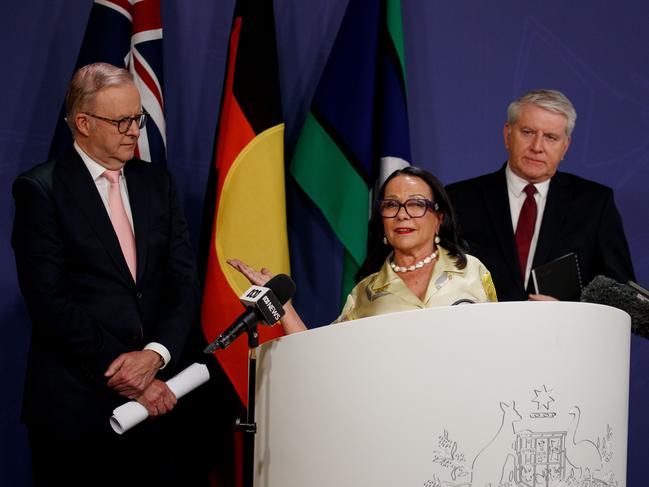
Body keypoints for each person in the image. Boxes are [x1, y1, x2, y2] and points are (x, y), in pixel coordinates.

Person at [12, 63, 201, 486]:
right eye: (122, 121)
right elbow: (49, 301)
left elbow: (183, 281)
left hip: (161, 401)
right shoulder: (41, 190)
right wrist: (128, 377)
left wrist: (156, 357)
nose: (135, 130)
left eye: (138, 118)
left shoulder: (158, 182)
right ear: (83, 123)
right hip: (77, 410)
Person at [229, 166, 497, 333]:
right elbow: (325, 361)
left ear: (439, 219)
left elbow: (498, 343)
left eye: (416, 204)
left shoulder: (472, 271)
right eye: (391, 205)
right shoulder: (365, 294)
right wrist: (283, 306)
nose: (402, 215)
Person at [446, 89, 635, 302]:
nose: (537, 147)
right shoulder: (459, 199)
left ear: (565, 147)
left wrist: (570, 312)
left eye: (551, 137)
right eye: (527, 132)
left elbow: (621, 295)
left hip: (563, 333)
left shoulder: (595, 203)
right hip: (482, 332)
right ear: (508, 135)